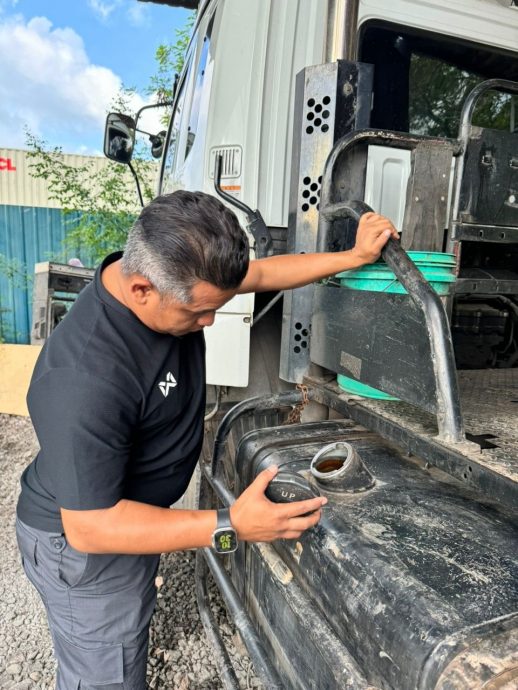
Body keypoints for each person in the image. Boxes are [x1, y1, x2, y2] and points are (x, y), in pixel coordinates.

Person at [16, 190, 399, 689]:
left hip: (119, 514)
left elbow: (260, 275)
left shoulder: (171, 277)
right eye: (198, 313)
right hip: (84, 545)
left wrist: (354, 257)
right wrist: (232, 523)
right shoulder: (85, 376)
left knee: (126, 642)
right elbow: (91, 527)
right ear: (140, 291)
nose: (211, 322)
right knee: (107, 674)